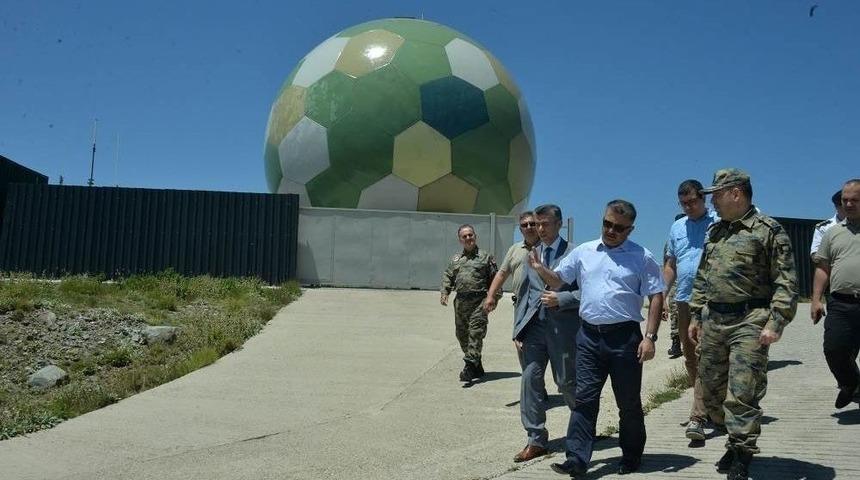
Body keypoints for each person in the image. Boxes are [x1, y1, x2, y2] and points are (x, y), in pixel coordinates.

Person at [529, 199, 664, 478]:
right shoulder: (585, 252)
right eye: (607, 224)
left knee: (627, 402)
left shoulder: (642, 257)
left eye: (618, 227)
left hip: (625, 339)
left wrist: (650, 337)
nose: (611, 230)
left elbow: (657, 295)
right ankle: (577, 459)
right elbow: (558, 281)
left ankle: (631, 455)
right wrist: (540, 268)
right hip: (589, 337)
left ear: (630, 229)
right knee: (584, 399)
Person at [689, 168, 797, 480]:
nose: (713, 203)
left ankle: (741, 450)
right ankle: (732, 438)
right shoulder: (716, 232)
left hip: (750, 320)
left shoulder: (769, 230)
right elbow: (702, 276)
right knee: (710, 391)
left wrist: (776, 322)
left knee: (742, 391)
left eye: (717, 196)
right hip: (714, 320)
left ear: (736, 193)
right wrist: (696, 315)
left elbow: (786, 282)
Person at [505, 204, 581, 463]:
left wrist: (563, 299)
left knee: (566, 382)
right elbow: (525, 293)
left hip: (563, 329)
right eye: (537, 224)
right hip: (534, 327)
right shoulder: (532, 253)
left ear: (559, 224)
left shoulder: (575, 253)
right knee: (530, 379)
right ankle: (535, 439)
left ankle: (583, 428)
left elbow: (587, 292)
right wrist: (518, 328)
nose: (540, 229)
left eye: (545, 224)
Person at [663, 180, 718, 441]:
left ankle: (697, 416)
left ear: (703, 199)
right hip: (684, 300)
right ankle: (711, 404)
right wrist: (661, 294)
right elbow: (671, 263)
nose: (688, 207)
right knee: (689, 355)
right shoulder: (676, 227)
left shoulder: (719, 221)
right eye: (683, 203)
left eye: (692, 202)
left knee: (705, 354)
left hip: (711, 300)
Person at [811, 179, 860, 410]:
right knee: (834, 349)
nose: (849, 204)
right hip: (841, 303)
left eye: (855, 200)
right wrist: (816, 299)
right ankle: (851, 384)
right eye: (845, 200)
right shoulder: (832, 233)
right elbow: (823, 268)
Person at [441, 224, 499, 382]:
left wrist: (493, 299)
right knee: (462, 335)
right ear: (460, 240)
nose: (468, 238)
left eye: (470, 235)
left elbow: (495, 280)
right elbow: (448, 275)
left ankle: (468, 368)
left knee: (475, 333)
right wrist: (445, 292)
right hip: (460, 302)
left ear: (475, 236)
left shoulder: (485, 257)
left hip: (479, 301)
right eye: (464, 236)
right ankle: (477, 365)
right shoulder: (456, 260)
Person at [484, 211, 539, 314]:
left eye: (532, 224)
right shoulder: (514, 249)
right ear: (520, 230)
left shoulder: (547, 248)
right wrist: (490, 296)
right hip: (520, 304)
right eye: (524, 225)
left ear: (538, 226)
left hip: (541, 305)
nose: (528, 227)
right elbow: (502, 274)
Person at [811, 189, 846, 258]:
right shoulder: (824, 227)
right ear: (836, 206)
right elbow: (815, 253)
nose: (849, 207)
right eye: (843, 206)